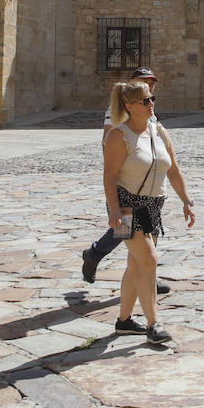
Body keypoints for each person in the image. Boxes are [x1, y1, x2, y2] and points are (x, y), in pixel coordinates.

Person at [101, 80, 194, 344]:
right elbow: (109, 175)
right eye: (145, 101)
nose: (151, 104)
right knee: (149, 259)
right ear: (129, 106)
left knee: (136, 264)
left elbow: (173, 170)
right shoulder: (118, 136)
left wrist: (187, 200)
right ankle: (155, 324)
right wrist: (114, 211)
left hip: (153, 206)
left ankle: (124, 322)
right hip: (124, 206)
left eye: (152, 98)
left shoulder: (159, 131)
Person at [82, 68, 169, 295]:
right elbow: (109, 140)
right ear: (132, 84)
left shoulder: (148, 107)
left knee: (146, 232)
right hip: (129, 183)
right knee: (127, 229)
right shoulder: (117, 109)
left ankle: (147, 274)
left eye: (152, 83)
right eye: (144, 82)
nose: (149, 87)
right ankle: (95, 254)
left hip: (149, 183)